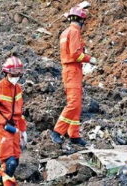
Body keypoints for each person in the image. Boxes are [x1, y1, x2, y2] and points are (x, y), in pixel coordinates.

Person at [50, 5, 97, 147]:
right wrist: (90, 59)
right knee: (74, 103)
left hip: (70, 70)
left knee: (77, 104)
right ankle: (57, 132)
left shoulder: (65, 32)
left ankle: (74, 135)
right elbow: (76, 54)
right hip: (73, 70)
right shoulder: (75, 32)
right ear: (81, 20)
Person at [0, 56, 27, 186]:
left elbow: (20, 113)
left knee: (15, 162)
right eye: (14, 73)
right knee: (10, 163)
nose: (17, 75)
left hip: (15, 129)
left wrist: (23, 131)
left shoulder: (18, 88)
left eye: (19, 73)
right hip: (2, 129)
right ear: (6, 72)